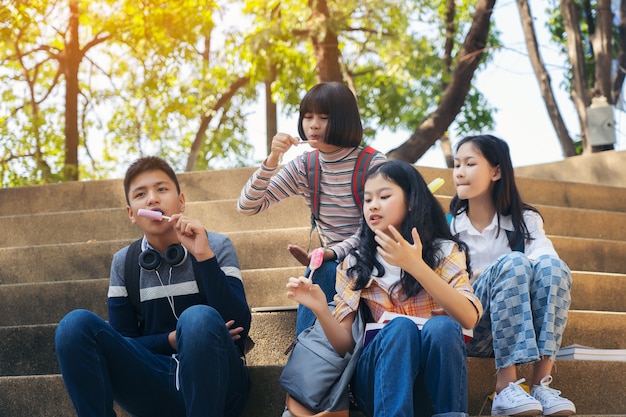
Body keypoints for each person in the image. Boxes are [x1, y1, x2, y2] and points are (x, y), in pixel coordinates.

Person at [55, 156, 251, 417]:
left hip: (219, 383)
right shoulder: (123, 262)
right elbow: (124, 342)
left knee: (197, 317)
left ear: (181, 201)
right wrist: (173, 340)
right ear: (131, 213)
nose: (152, 199)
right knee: (74, 326)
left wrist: (204, 258)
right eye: (140, 194)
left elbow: (238, 325)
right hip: (154, 381)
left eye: (161, 189)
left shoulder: (216, 246)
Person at [286, 160, 482, 417]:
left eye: (384, 196)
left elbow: (468, 317)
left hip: (431, 385)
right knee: (400, 328)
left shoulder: (445, 251)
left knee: (443, 327)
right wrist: (320, 308)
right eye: (367, 199)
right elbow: (345, 344)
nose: (373, 205)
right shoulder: (355, 261)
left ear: (411, 201)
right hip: (379, 384)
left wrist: (416, 266)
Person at [237, 81, 385, 335]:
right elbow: (248, 206)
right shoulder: (306, 165)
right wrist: (273, 160)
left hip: (377, 257)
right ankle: (306, 349)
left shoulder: (373, 163)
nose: (313, 124)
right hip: (331, 263)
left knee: (325, 267)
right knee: (320, 271)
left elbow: (374, 229)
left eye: (324, 117)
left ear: (345, 120)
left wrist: (332, 253)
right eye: (307, 116)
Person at [448, 134, 576, 416]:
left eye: (469, 163)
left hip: (519, 328)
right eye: (456, 164)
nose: (459, 172)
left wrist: (505, 273)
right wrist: (499, 273)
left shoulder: (525, 220)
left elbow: (547, 261)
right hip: (469, 330)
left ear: (496, 171)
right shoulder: (448, 227)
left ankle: (540, 383)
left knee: (553, 269)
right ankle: (505, 387)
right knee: (514, 263)